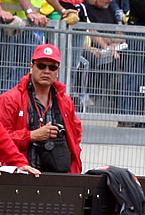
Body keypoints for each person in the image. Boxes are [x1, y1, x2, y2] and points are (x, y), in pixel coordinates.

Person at [0, 44, 83, 173]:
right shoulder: (9, 99)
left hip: (59, 176)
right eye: (41, 66)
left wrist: (73, 172)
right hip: (22, 175)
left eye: (52, 67)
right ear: (31, 67)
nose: (46, 71)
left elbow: (75, 138)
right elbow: (3, 139)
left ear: (57, 71)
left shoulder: (65, 101)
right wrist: (31, 136)